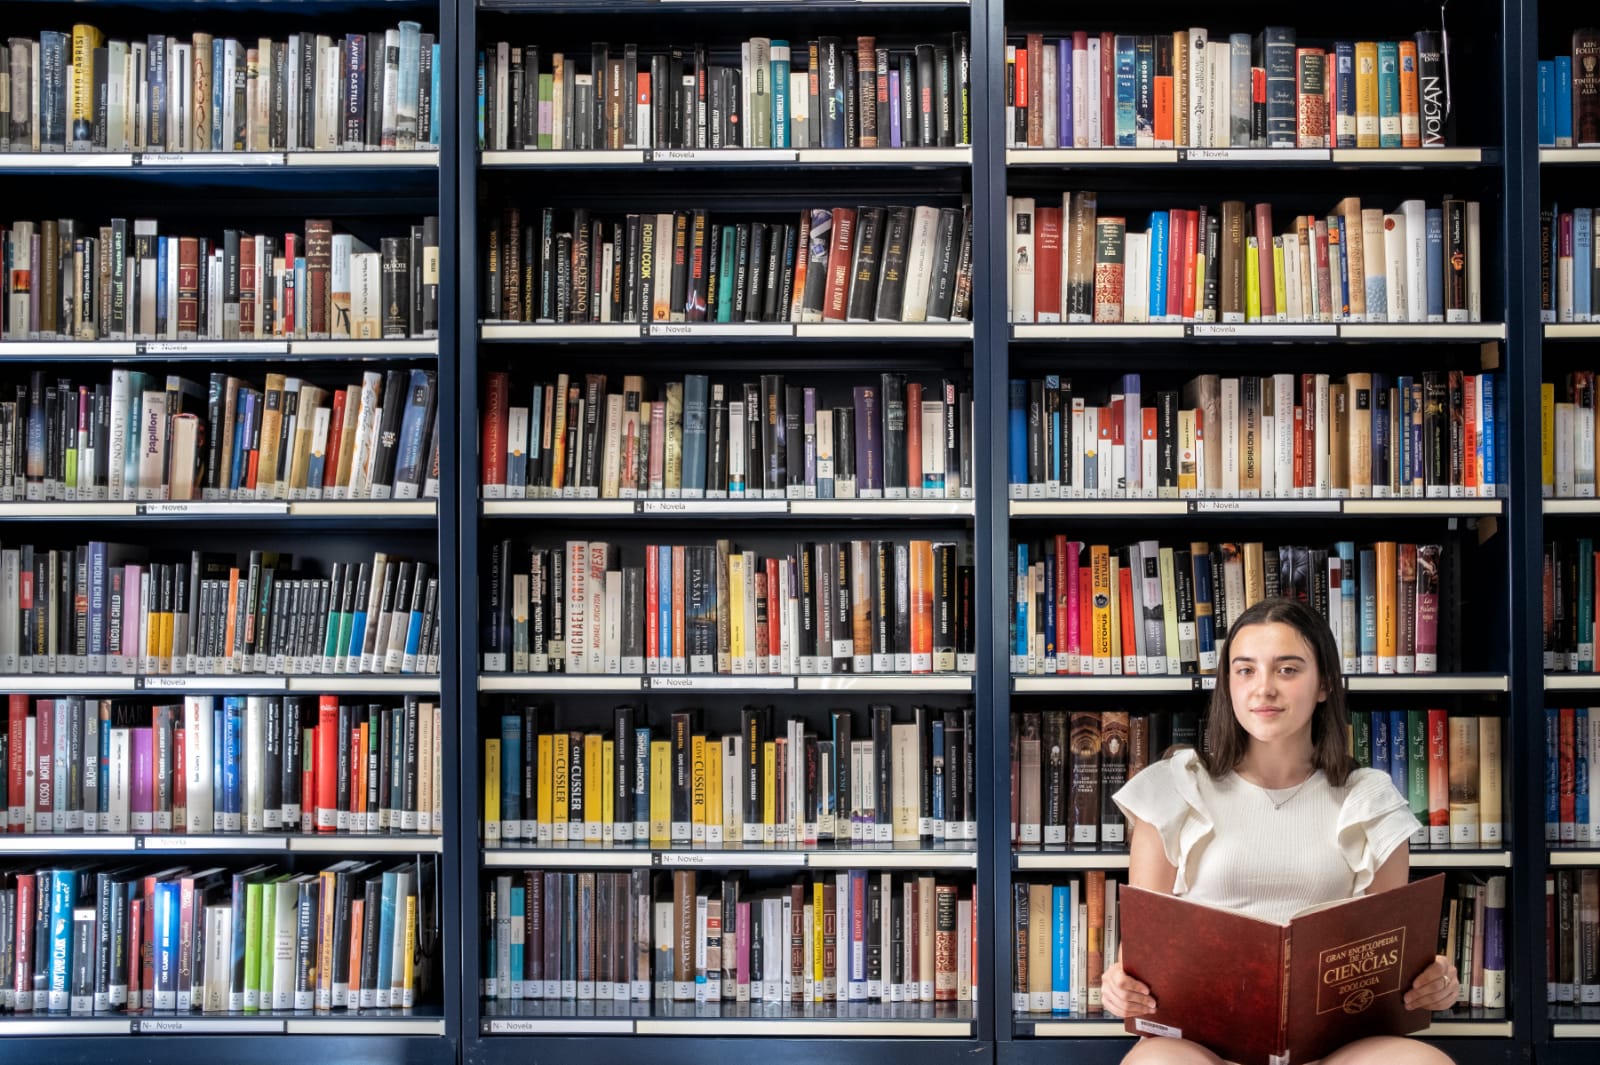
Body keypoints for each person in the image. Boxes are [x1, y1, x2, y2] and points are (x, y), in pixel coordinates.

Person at [1102, 597, 1459, 1065]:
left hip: (1331, 1045)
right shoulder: (1176, 787)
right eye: (1245, 670)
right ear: (1227, 683)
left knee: (1423, 1063)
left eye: (1287, 670)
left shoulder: (1368, 798)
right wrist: (1118, 984)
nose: (1263, 688)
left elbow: (1388, 952)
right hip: (1200, 1045)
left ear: (1325, 684)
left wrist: (1435, 979)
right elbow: (1142, 956)